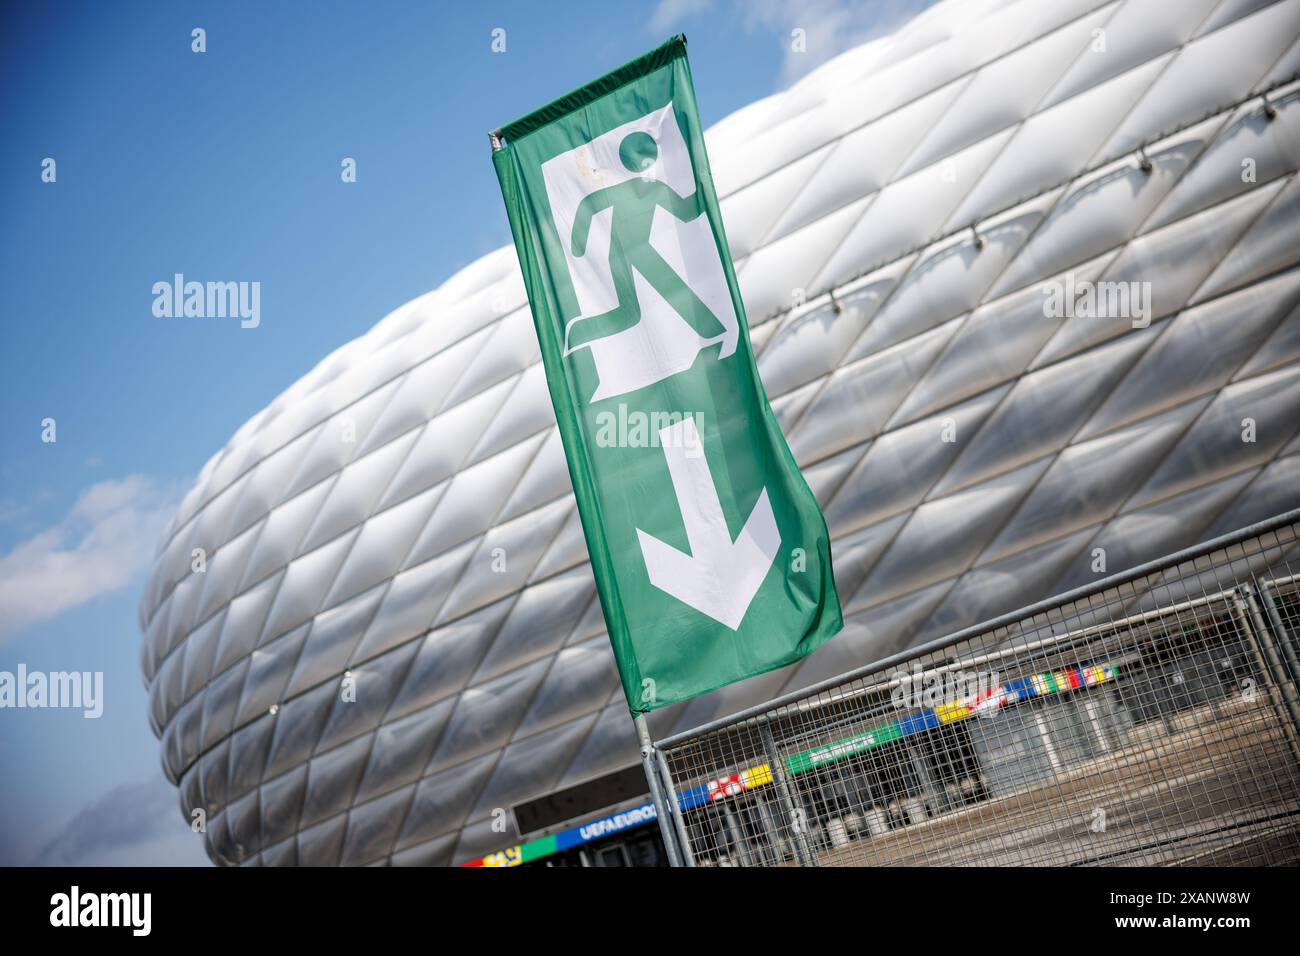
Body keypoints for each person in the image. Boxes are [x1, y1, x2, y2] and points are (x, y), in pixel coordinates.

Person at [566, 130, 727, 351]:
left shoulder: (654, 188)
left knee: (629, 314)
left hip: (637, 254)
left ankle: (577, 334)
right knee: (656, 300)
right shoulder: (637, 189)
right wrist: (577, 246)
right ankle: (714, 333)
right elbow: (588, 205)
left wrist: (703, 184)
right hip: (628, 256)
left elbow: (687, 212)